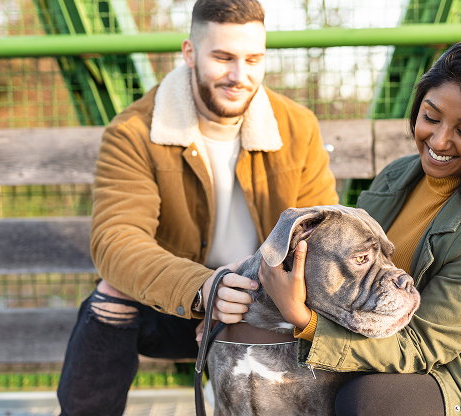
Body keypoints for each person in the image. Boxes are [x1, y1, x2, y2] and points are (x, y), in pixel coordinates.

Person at [259, 40, 461, 416]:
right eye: (431, 117)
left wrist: (304, 321)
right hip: (418, 357)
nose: (439, 141)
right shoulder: (397, 177)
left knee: (368, 401)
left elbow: (420, 346)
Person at [56, 0, 338, 414]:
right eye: (223, 57)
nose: (239, 76)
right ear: (190, 53)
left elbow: (320, 236)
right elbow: (116, 242)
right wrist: (204, 290)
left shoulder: (298, 126)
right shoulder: (133, 131)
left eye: (253, 59)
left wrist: (249, 296)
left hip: (266, 303)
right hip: (183, 303)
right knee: (110, 295)